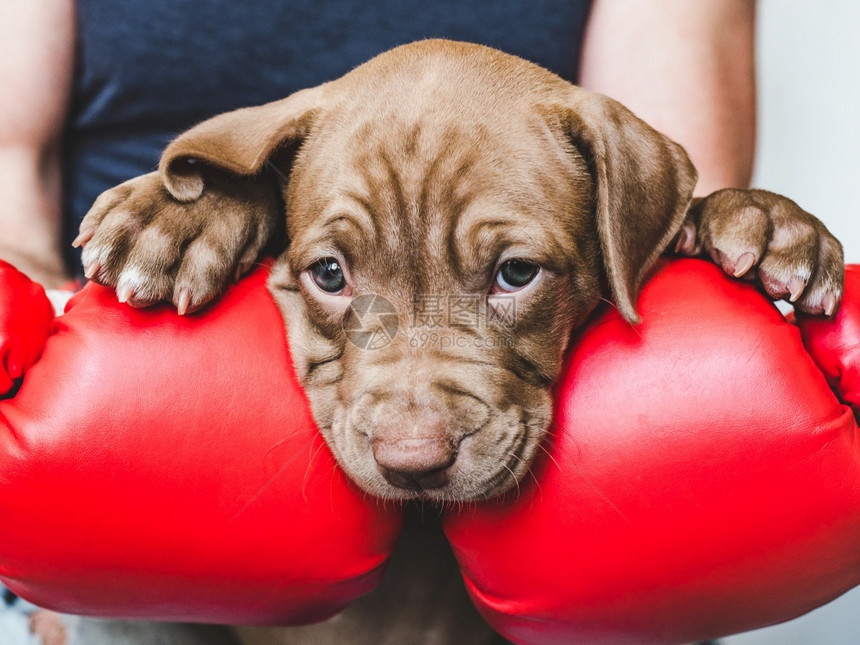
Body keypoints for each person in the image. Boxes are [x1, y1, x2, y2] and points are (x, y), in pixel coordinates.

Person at [0, 1, 755, 643]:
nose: (413, 444)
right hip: (131, 430)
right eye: (331, 272)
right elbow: (8, 191)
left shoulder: (602, 166)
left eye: (511, 270)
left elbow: (676, 254)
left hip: (554, 516)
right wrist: (44, 448)